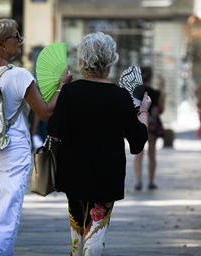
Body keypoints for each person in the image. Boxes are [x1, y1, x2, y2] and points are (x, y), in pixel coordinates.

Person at [0, 19, 71, 256]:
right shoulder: (19, 76)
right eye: (15, 37)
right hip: (13, 151)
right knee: (7, 213)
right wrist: (61, 86)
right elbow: (46, 113)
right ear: (1, 44)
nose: (20, 41)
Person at [47, 32, 151, 256]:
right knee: (96, 230)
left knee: (77, 231)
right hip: (106, 174)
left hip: (72, 172)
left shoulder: (70, 92)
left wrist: (61, 88)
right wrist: (143, 111)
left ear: (82, 60)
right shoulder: (121, 96)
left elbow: (53, 130)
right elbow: (137, 143)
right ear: (110, 60)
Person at [134, 67, 166, 191]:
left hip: (139, 125)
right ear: (151, 77)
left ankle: (138, 181)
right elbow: (161, 110)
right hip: (152, 125)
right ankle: (151, 181)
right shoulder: (156, 92)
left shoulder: (136, 92)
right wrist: (163, 91)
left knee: (139, 154)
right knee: (152, 154)